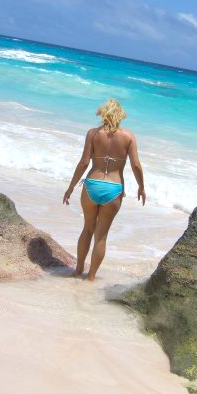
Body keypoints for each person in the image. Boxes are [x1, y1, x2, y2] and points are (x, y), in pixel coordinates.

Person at [63, 99, 146, 280]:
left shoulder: (93, 134)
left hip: (92, 184)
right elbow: (136, 165)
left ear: (102, 113)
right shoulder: (129, 137)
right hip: (114, 188)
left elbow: (84, 162)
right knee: (101, 236)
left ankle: (78, 271)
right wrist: (141, 187)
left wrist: (70, 187)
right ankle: (91, 277)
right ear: (120, 115)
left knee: (87, 229)